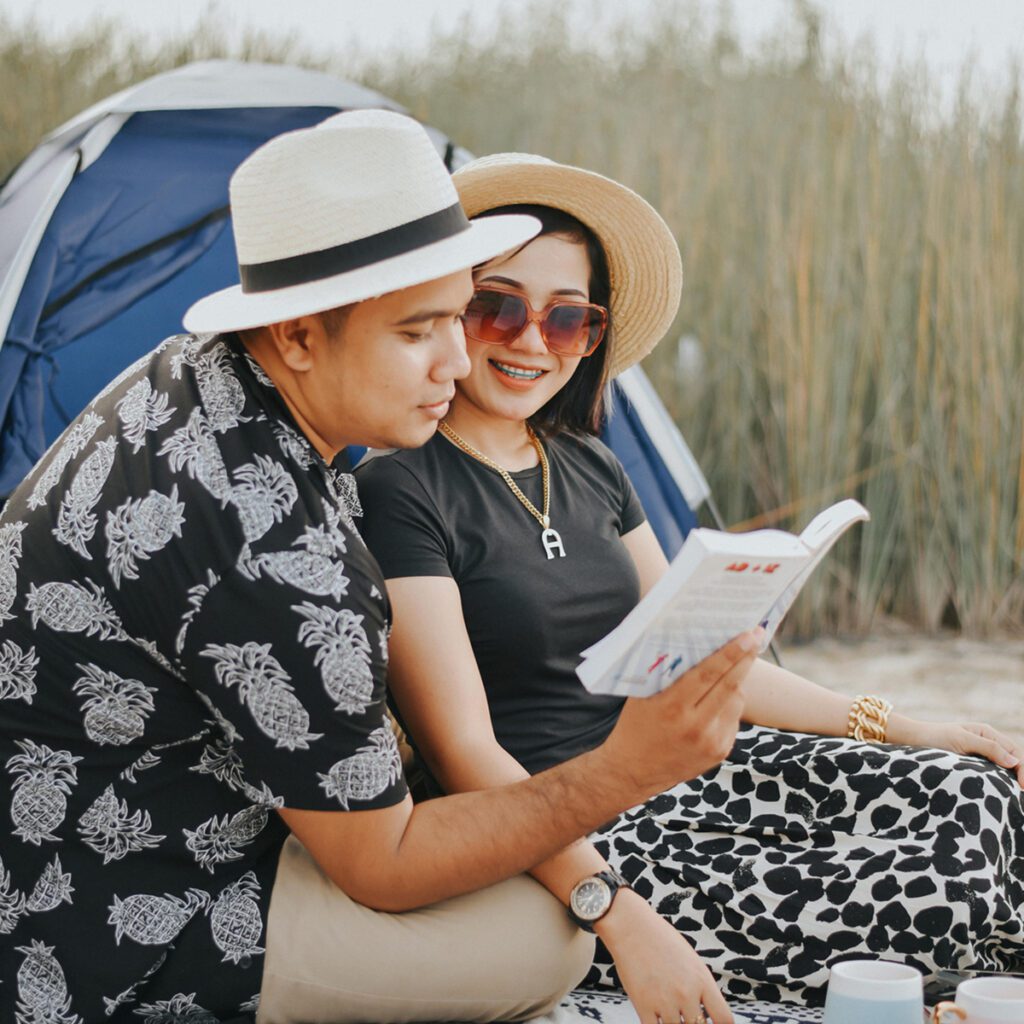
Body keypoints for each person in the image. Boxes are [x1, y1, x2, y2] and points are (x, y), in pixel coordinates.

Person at [0, 112, 766, 1024]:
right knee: (542, 938)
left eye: (456, 315)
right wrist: (622, 775)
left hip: (76, 824)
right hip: (110, 921)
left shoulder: (192, 376)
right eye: (416, 332)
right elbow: (384, 864)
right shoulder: (272, 539)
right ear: (295, 335)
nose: (458, 361)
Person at [355, 152, 1024, 1013]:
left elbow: (703, 656)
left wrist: (907, 723)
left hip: (691, 772)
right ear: (450, 313)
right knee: (943, 899)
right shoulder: (401, 488)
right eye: (498, 307)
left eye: (566, 320)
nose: (530, 341)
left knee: (970, 793)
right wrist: (615, 913)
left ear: (591, 338)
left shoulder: (589, 464)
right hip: (573, 818)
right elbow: (465, 755)